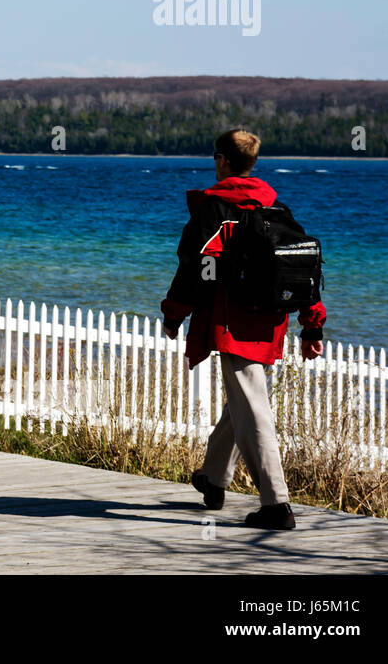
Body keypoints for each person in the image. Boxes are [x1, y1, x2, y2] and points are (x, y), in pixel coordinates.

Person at [160, 128, 326, 530]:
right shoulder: (276, 207)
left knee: (252, 407)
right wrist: (312, 325)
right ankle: (213, 479)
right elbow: (301, 264)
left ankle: (276, 505)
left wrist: (174, 311)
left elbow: (195, 268)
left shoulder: (214, 208)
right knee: (245, 400)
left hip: (232, 321)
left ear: (222, 161)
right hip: (270, 321)